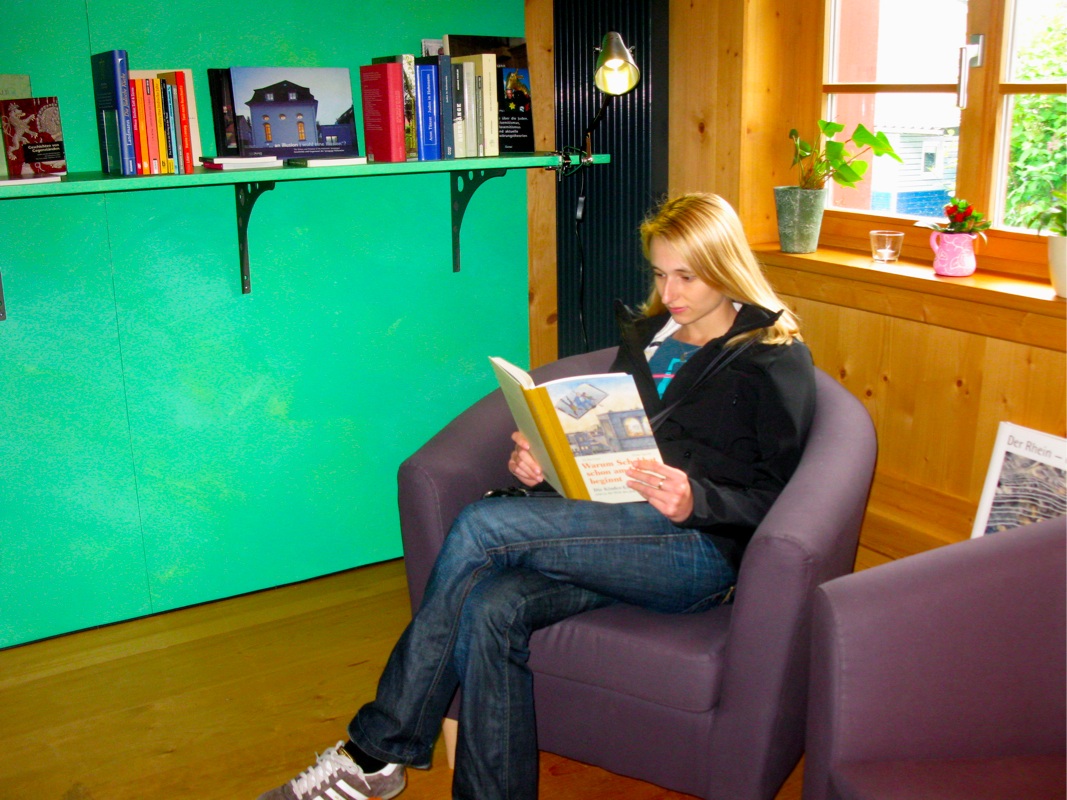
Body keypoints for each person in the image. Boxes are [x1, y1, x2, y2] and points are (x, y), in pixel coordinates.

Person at [256, 193, 816, 800]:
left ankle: (375, 751)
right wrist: (544, 467)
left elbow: (783, 495)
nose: (670, 292)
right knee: (489, 607)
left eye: (687, 275)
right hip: (608, 530)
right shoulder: (650, 340)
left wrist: (697, 501)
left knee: (483, 524)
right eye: (659, 274)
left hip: (694, 550)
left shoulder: (771, 357)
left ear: (724, 265)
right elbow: (607, 445)